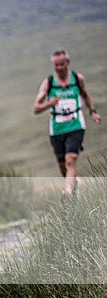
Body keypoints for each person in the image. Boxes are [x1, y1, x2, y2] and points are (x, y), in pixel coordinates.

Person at [33, 49, 101, 197]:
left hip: (76, 124)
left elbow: (85, 95)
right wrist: (50, 103)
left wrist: (93, 112)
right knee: (63, 166)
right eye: (56, 65)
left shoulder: (77, 78)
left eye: (61, 64)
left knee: (71, 159)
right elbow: (36, 108)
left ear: (67, 63)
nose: (59, 68)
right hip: (57, 128)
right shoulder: (48, 83)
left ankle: (68, 191)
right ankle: (73, 186)